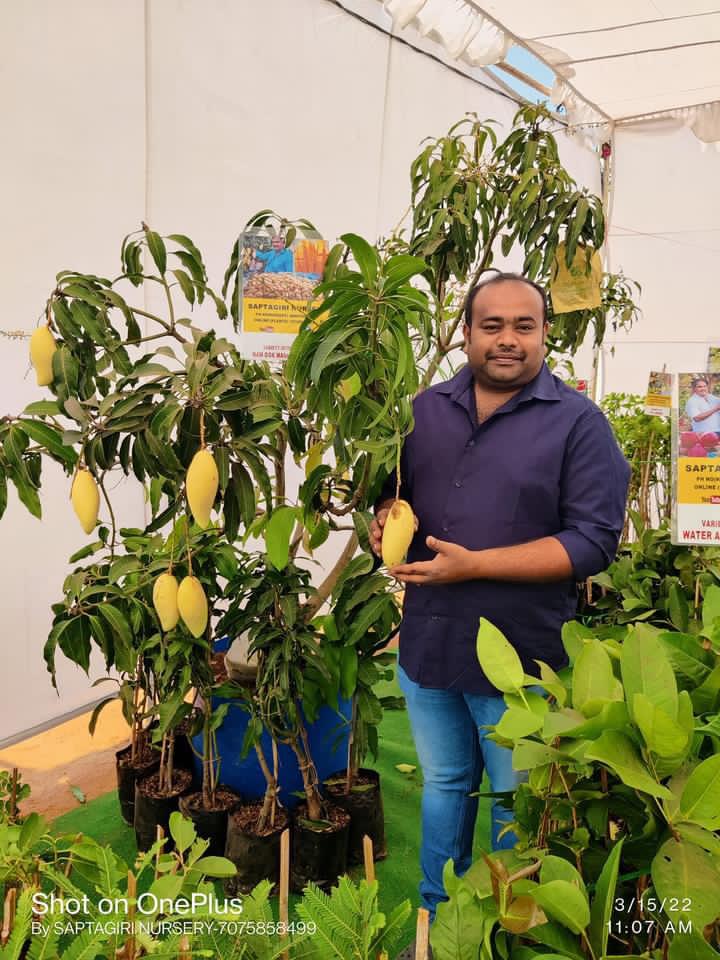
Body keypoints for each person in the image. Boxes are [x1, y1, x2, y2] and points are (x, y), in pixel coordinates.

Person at [370, 272, 630, 960]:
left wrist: (477, 564)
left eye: (524, 326)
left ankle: (507, 932)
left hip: (522, 659)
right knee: (447, 786)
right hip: (429, 645)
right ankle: (438, 930)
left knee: (517, 805)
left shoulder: (579, 424)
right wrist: (384, 522)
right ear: (466, 332)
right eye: (492, 326)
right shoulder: (423, 411)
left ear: (547, 333)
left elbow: (593, 541)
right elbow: (393, 495)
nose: (508, 340)